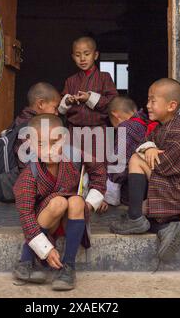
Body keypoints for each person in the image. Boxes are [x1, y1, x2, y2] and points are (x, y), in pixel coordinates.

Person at [110, 78, 180, 261]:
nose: (147, 105)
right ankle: (165, 229)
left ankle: (135, 219)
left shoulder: (179, 132)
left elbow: (163, 166)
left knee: (135, 160)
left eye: (153, 101)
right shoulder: (160, 129)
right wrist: (148, 146)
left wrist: (144, 151)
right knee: (140, 210)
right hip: (172, 186)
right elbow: (144, 144)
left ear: (171, 106)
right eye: (148, 100)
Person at [13, 114, 106, 291]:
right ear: (30, 144)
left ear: (64, 139)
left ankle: (68, 267)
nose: (49, 150)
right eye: (40, 144)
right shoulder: (29, 175)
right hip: (47, 223)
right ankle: (25, 261)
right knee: (58, 203)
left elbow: (99, 171)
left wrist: (90, 203)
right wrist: (46, 249)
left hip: (73, 219)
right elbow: (26, 216)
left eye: (54, 142)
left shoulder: (75, 157)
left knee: (76, 202)